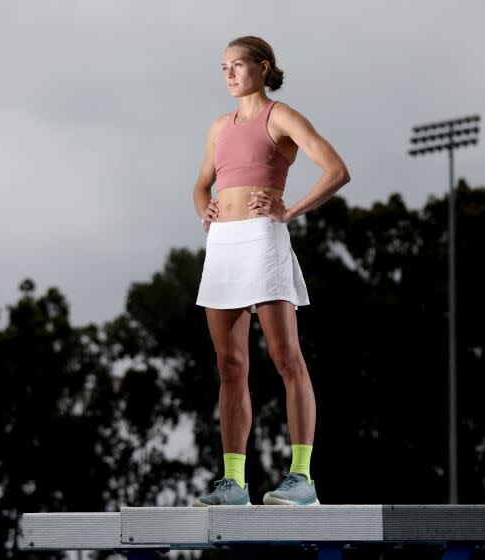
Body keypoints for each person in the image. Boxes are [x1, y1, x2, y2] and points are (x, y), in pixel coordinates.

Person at [192, 35, 350, 506]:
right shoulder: (219, 127)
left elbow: (336, 170)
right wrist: (206, 212)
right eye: (223, 68)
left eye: (237, 65)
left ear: (262, 68)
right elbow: (201, 186)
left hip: (263, 240)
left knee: (286, 359)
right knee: (230, 366)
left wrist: (289, 211)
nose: (229, 75)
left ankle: (302, 479)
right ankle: (234, 483)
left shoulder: (279, 116)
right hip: (222, 248)